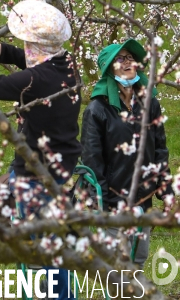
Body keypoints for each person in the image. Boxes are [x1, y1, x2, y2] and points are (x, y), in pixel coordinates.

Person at [0, 0, 81, 300]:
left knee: (47, 257)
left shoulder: (32, 81)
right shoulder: (66, 64)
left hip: (34, 177)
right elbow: (38, 63)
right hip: (59, 167)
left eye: (24, 42)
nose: (23, 45)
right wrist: (5, 51)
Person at [81, 39, 173, 268]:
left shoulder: (149, 104)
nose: (127, 63)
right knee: (117, 262)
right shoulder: (97, 110)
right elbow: (92, 160)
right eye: (119, 59)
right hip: (114, 200)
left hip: (144, 196)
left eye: (130, 58)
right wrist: (103, 202)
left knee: (139, 257)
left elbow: (159, 150)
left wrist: (166, 191)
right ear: (109, 69)